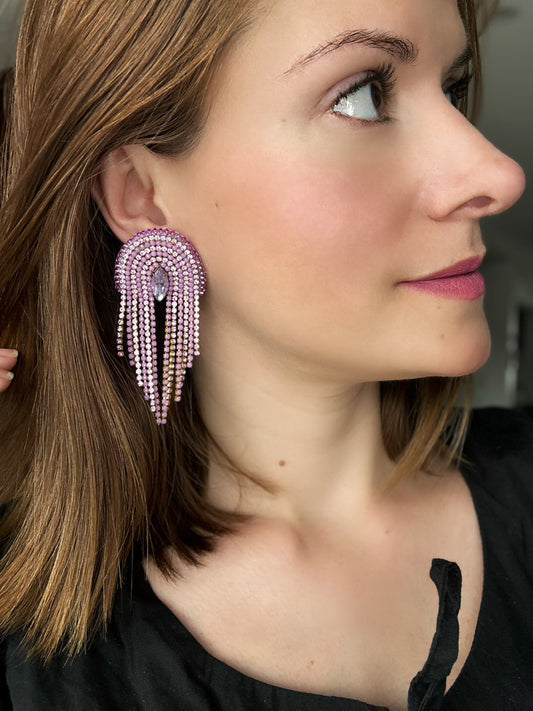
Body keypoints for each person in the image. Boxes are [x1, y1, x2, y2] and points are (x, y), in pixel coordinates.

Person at [0, 0, 531, 709]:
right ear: (141, 195)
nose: (497, 172)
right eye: (361, 96)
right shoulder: (33, 656)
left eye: (453, 87)